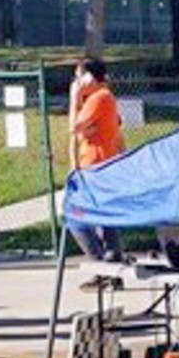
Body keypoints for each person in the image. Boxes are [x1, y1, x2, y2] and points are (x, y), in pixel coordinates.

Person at [68, 57, 125, 261]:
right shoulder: (100, 99)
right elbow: (81, 132)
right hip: (93, 165)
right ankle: (110, 260)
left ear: (90, 76)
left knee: (75, 216)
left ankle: (100, 261)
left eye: (79, 77)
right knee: (103, 217)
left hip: (96, 166)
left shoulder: (100, 98)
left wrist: (74, 98)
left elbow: (74, 127)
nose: (77, 83)